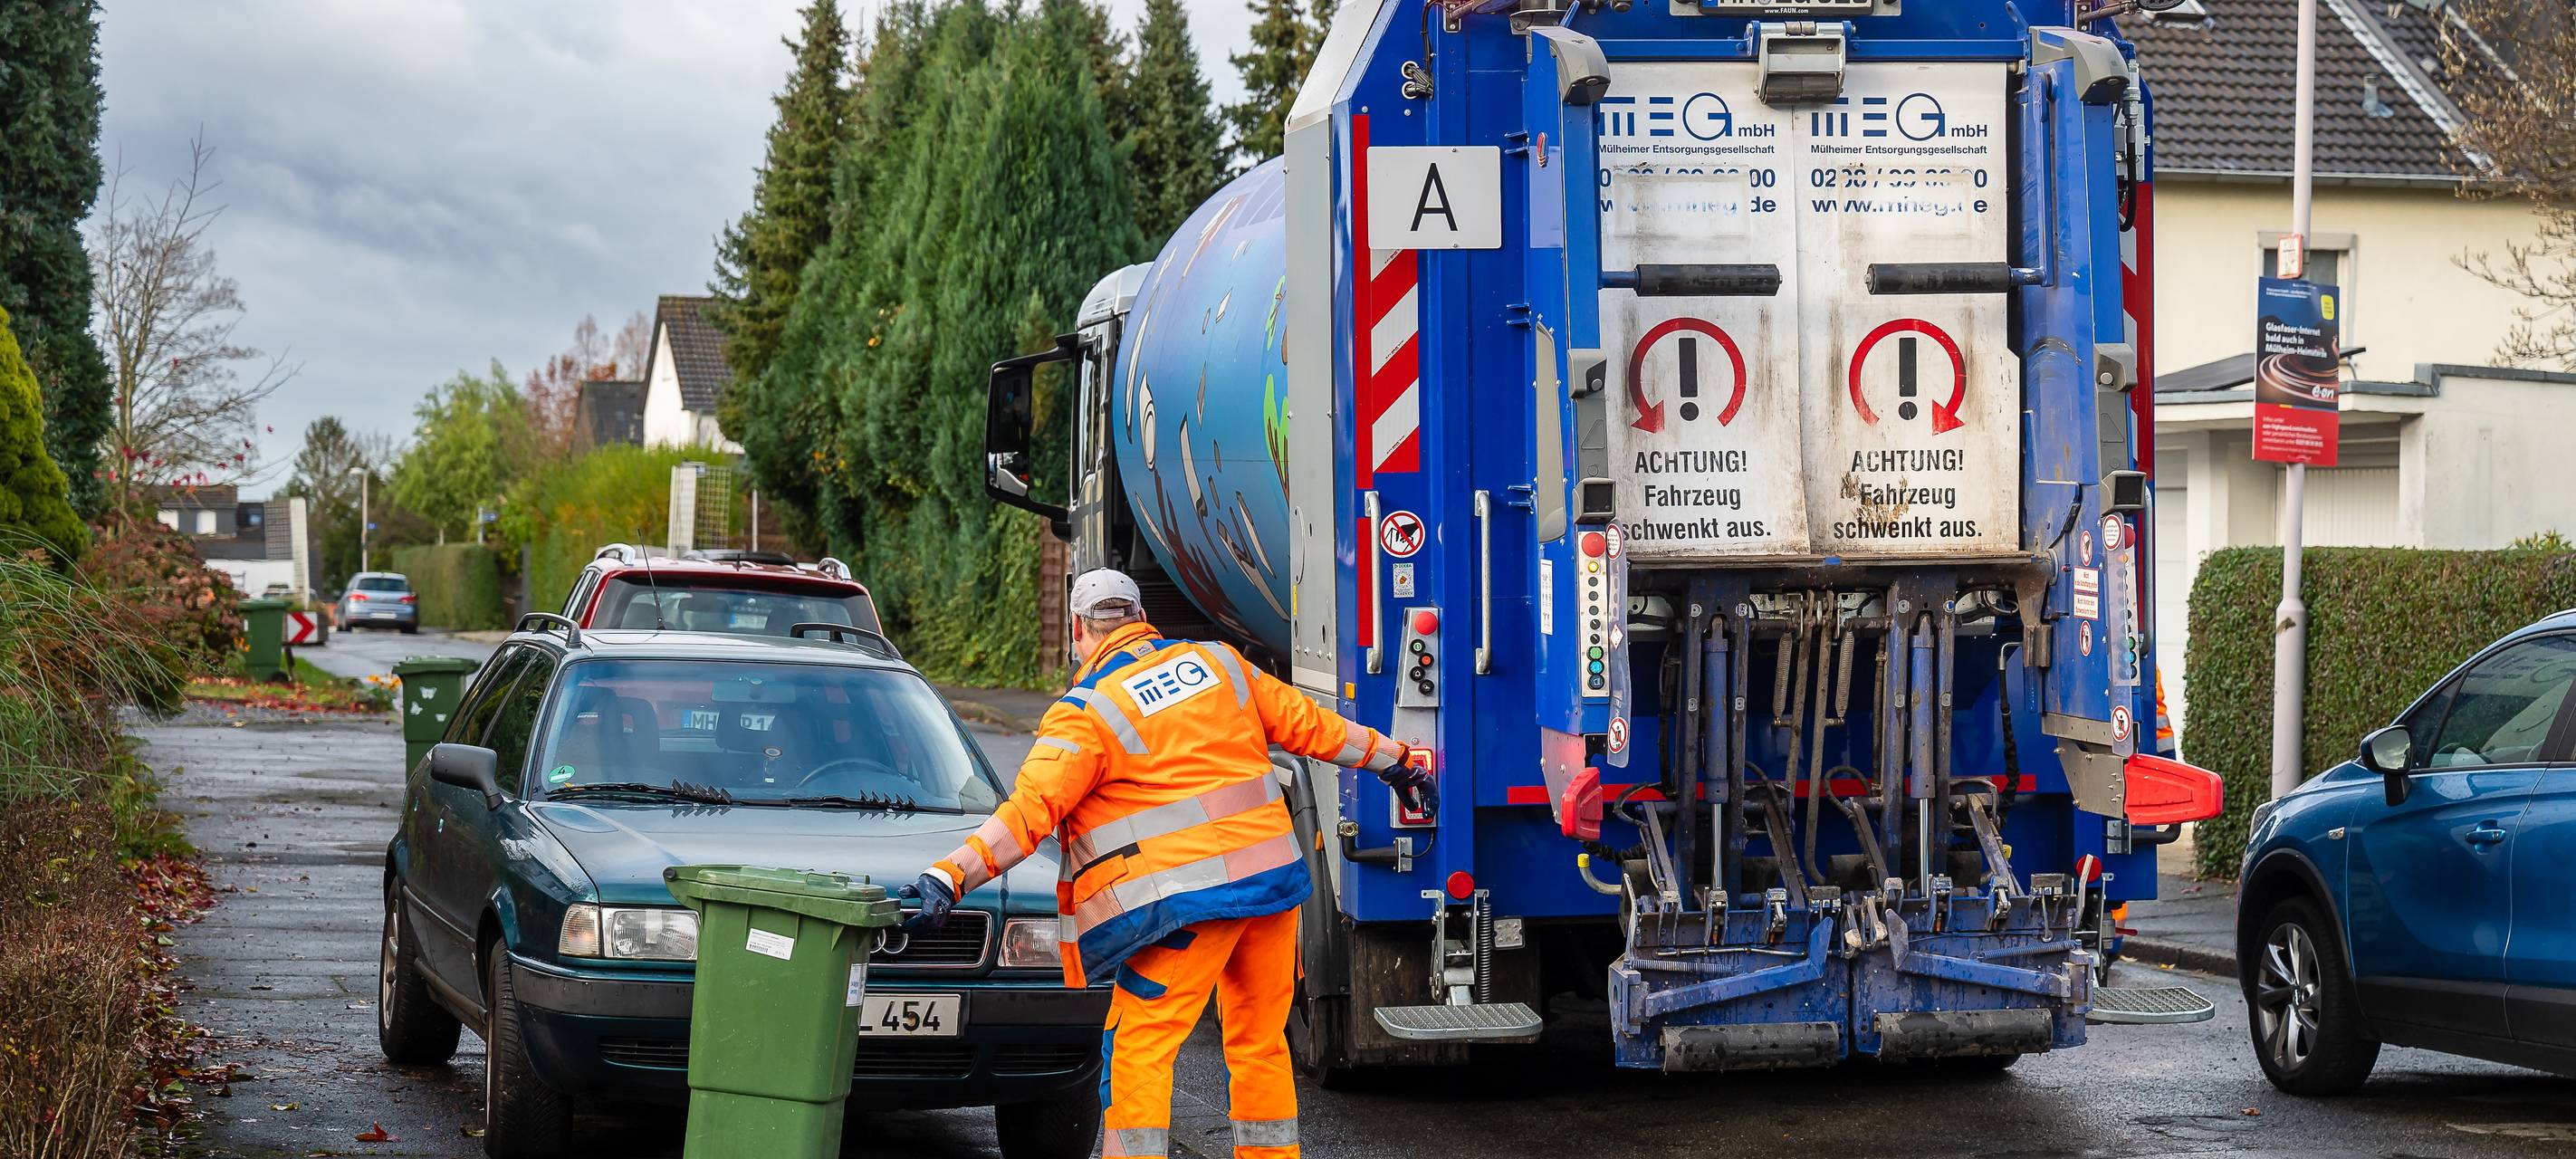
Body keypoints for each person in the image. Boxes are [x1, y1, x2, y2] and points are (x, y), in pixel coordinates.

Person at [896, 569, 1432, 1159]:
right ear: (1137, 617)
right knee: (1258, 1045)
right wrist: (1397, 761)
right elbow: (1309, 725)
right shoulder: (1219, 665)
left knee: (1139, 1046)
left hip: (1186, 903)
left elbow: (1029, 812)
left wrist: (950, 876)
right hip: (1271, 888)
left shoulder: (1087, 712)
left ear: (1078, 630)